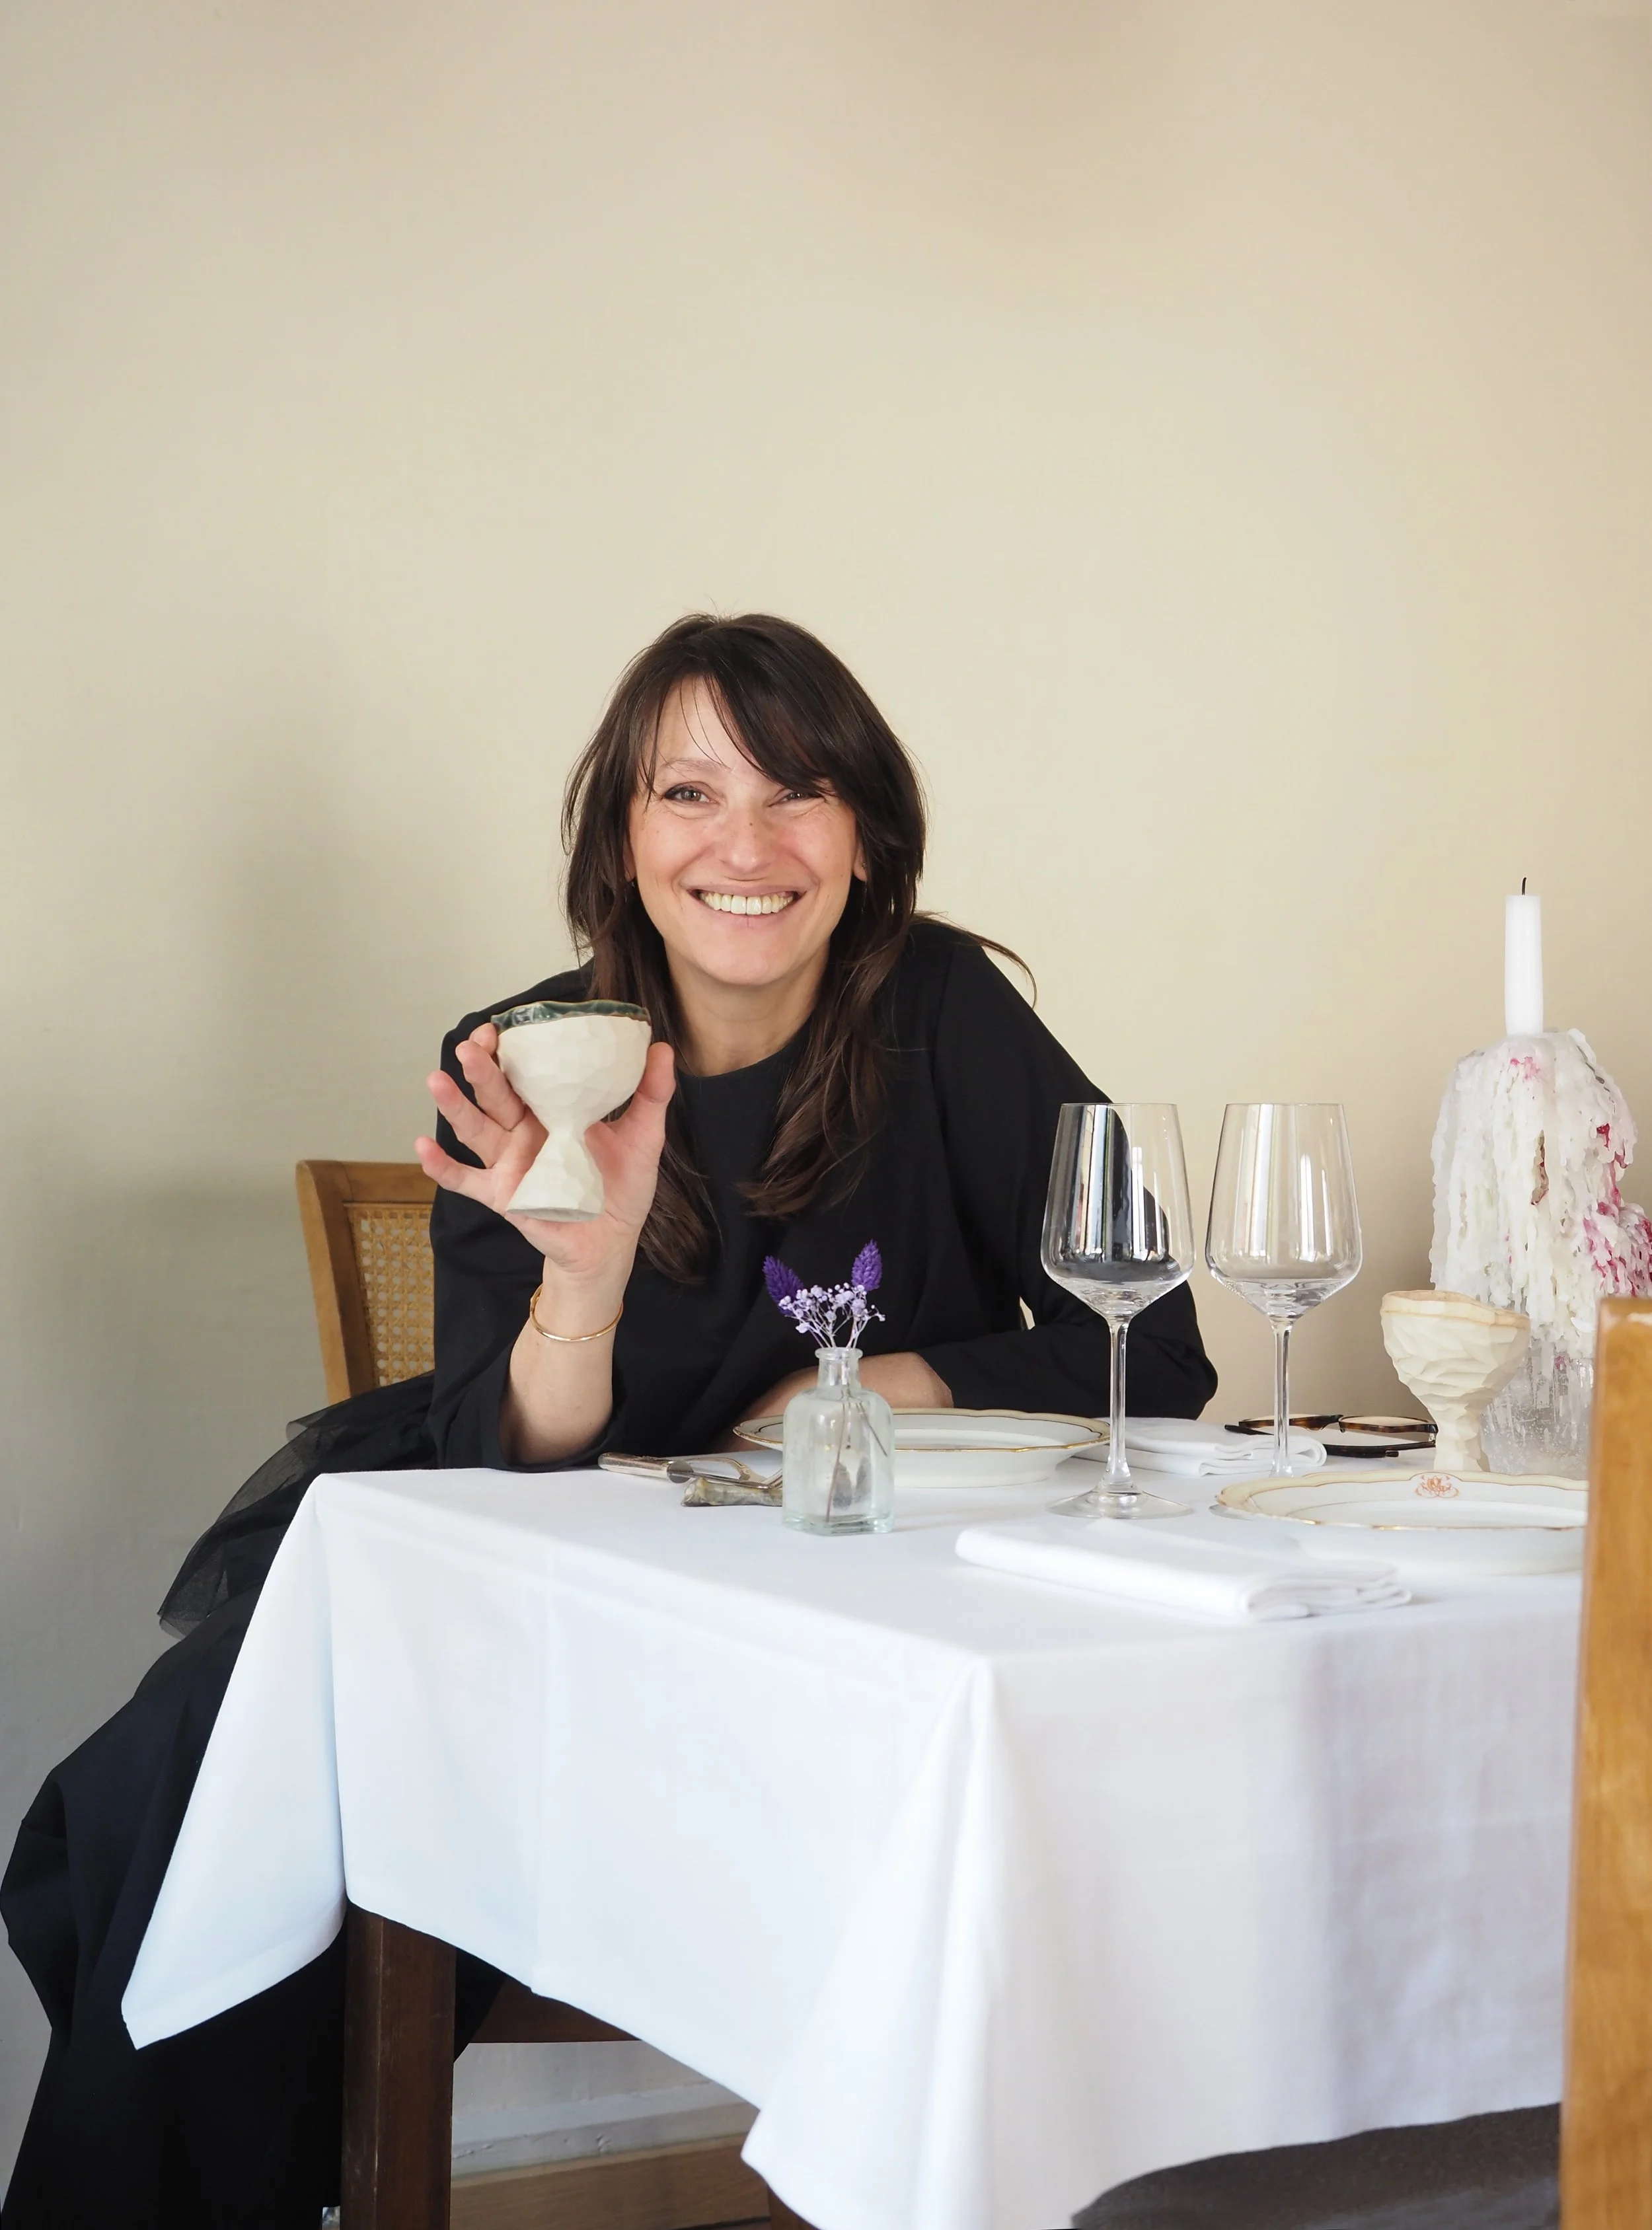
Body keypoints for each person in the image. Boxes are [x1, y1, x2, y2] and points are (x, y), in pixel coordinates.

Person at [1, 614, 1215, 2228]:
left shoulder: (947, 1014)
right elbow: (507, 1466)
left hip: (811, 1615)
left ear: (865, 839)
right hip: (520, 1592)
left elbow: (1152, 1339)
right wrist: (581, 1271)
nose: (745, 845)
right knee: (200, 1803)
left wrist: (857, 1390)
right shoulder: (523, 1061)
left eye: (797, 795)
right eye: (688, 793)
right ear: (622, 841)